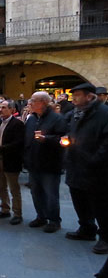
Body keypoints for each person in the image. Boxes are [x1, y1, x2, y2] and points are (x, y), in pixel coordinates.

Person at [63, 83, 108, 254]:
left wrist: (95, 160)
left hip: (96, 169)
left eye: (77, 95)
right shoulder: (77, 114)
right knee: (79, 199)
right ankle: (86, 228)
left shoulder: (103, 114)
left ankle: (105, 237)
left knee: (100, 204)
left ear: (89, 97)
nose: (73, 99)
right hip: (76, 165)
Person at [24, 92, 67, 233]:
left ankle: (54, 220)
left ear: (42, 102)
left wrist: (46, 139)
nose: (30, 102)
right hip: (34, 162)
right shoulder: (32, 119)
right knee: (36, 192)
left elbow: (63, 139)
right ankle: (41, 216)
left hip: (50, 163)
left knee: (50, 193)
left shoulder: (57, 118)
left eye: (33, 100)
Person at [0, 100, 25, 225]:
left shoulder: (17, 124)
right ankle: (5, 208)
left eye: (4, 107)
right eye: (0, 107)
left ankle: (17, 213)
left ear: (12, 110)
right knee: (1, 187)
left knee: (14, 188)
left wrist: (1, 148)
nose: (0, 110)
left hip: (11, 160)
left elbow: (18, 143)